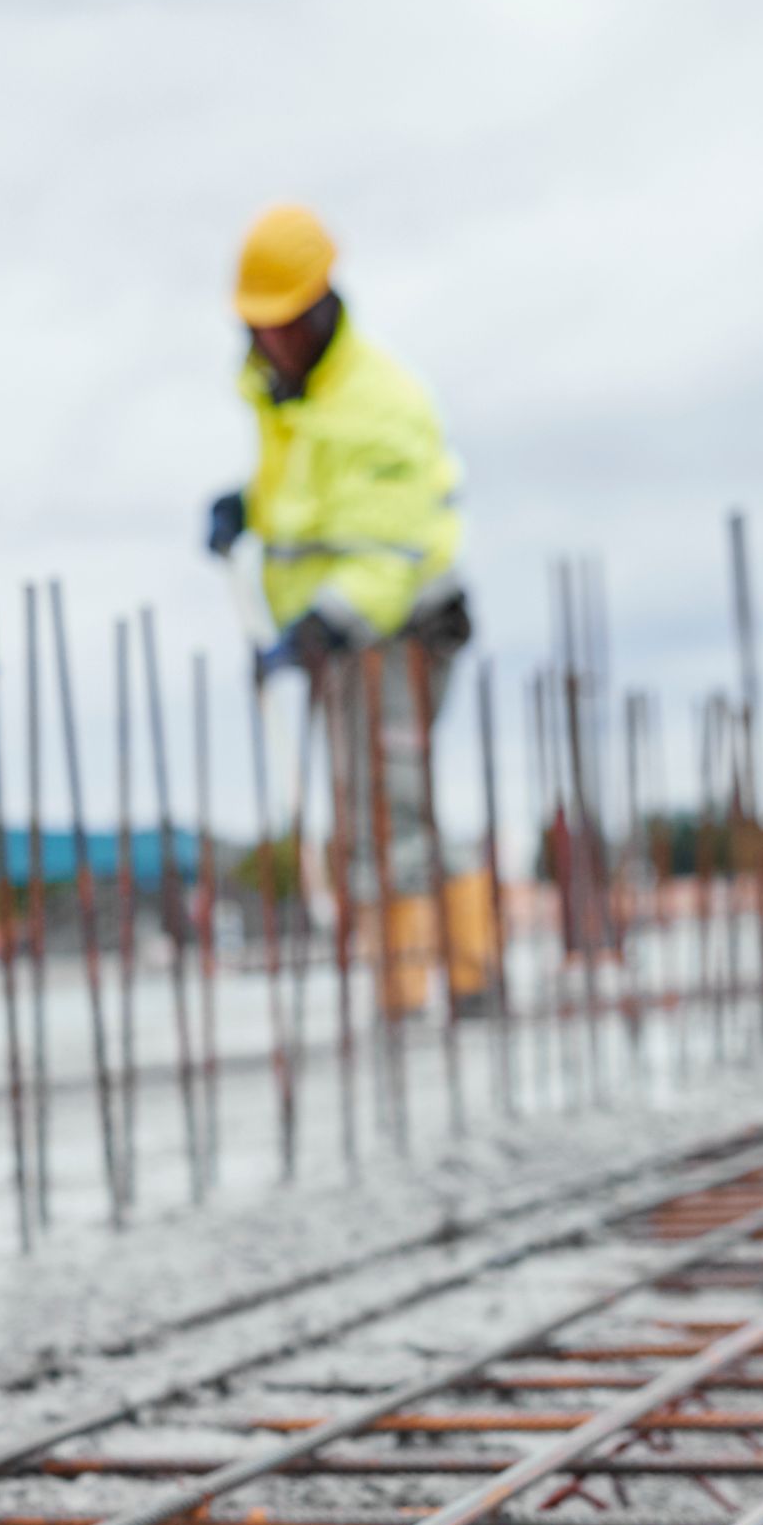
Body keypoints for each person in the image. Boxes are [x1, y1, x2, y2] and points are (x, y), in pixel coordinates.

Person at [205, 203, 494, 1015]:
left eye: (283, 325)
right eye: (258, 327)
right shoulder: (286, 400)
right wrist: (248, 511)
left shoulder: (381, 399)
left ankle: (462, 980)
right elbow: (308, 508)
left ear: (320, 307)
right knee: (366, 814)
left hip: (402, 628)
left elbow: (391, 546)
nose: (270, 342)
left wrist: (322, 622)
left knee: (395, 803)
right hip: (339, 637)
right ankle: (403, 989)